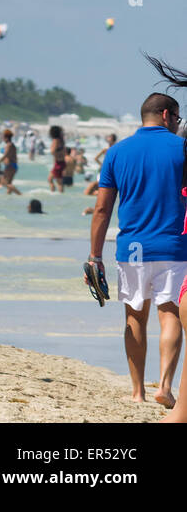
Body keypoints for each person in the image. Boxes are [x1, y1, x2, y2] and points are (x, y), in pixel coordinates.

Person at [87, 84, 186, 409]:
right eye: (177, 118)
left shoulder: (118, 151)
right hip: (174, 245)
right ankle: (166, 386)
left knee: (134, 317)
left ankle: (137, 392)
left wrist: (94, 255)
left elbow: (102, 209)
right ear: (168, 115)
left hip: (132, 248)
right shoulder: (183, 148)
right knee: (170, 314)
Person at [0, 129, 23, 195]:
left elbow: (5, 156)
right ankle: (8, 198)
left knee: (4, 183)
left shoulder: (9, 145)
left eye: (3, 137)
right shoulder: (10, 145)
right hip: (11, 165)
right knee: (9, 183)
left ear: (6, 138)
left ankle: (20, 194)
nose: (2, 138)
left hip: (10, 166)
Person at [48, 125, 66, 192]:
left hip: (59, 163)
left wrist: (55, 153)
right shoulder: (61, 140)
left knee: (57, 182)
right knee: (53, 180)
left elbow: (53, 151)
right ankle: (56, 194)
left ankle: (55, 193)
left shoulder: (56, 140)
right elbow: (63, 151)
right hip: (60, 162)